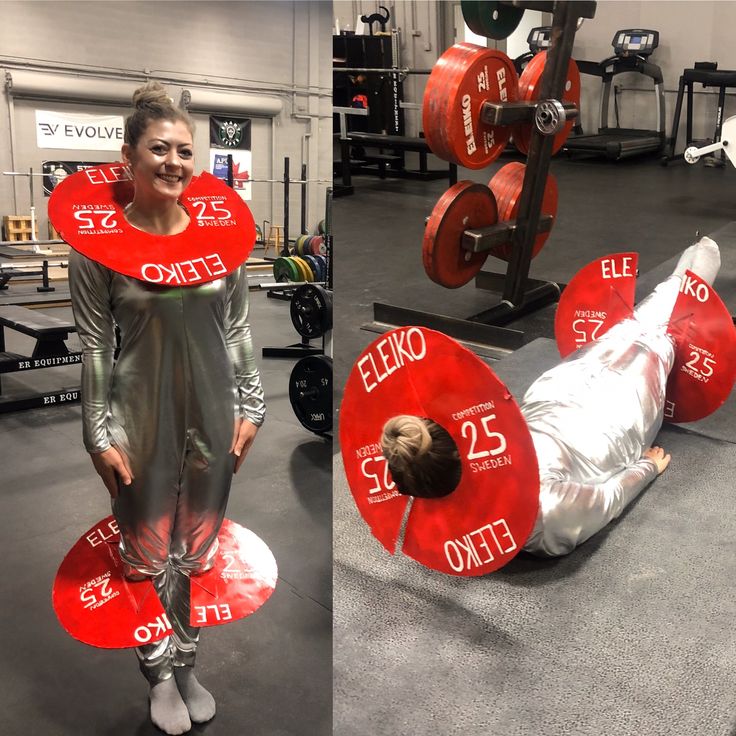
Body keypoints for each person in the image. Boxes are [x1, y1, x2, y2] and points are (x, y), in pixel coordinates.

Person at [67, 82, 265, 735]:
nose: (174, 161)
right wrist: (98, 431)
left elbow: (237, 329)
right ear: (129, 156)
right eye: (159, 148)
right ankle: (157, 672)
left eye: (185, 150)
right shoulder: (99, 246)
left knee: (199, 550)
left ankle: (187, 663)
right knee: (147, 549)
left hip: (212, 409)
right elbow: (95, 344)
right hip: (138, 412)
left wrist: (252, 404)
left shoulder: (221, 236)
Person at [381, 237, 722, 558]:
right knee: (659, 333)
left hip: (566, 398)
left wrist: (647, 466)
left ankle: (686, 270)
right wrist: (648, 467)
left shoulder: (471, 501)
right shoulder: (538, 511)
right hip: (607, 413)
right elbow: (609, 498)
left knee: (628, 331)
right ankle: (691, 265)